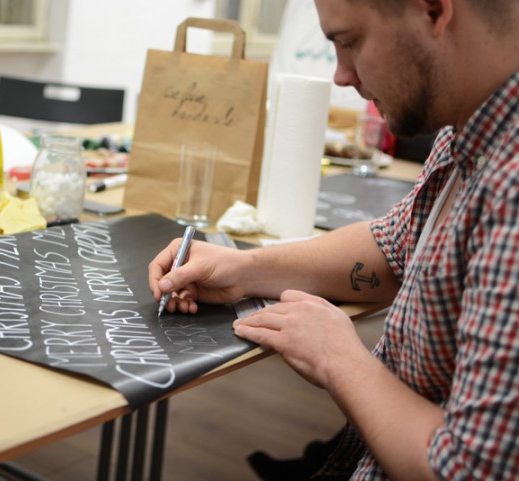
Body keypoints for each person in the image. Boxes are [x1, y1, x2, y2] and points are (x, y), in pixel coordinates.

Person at [148, 0, 519, 479]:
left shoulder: (510, 189)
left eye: (350, 42)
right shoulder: (466, 131)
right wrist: (243, 268)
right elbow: (391, 248)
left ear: (433, 10)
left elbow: (466, 469)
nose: (341, 75)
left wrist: (339, 359)